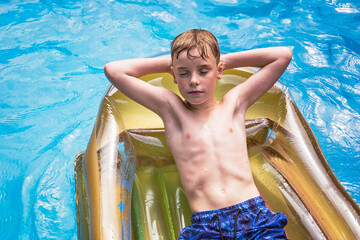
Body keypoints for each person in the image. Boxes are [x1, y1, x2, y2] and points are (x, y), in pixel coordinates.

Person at [104, 29, 292, 239]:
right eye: (184, 73)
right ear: (174, 75)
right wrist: (172, 65)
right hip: (207, 225)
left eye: (203, 71)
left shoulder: (234, 104)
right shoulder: (172, 110)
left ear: (218, 71)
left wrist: (222, 60)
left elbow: (282, 55)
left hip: (254, 215)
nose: (194, 80)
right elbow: (114, 70)